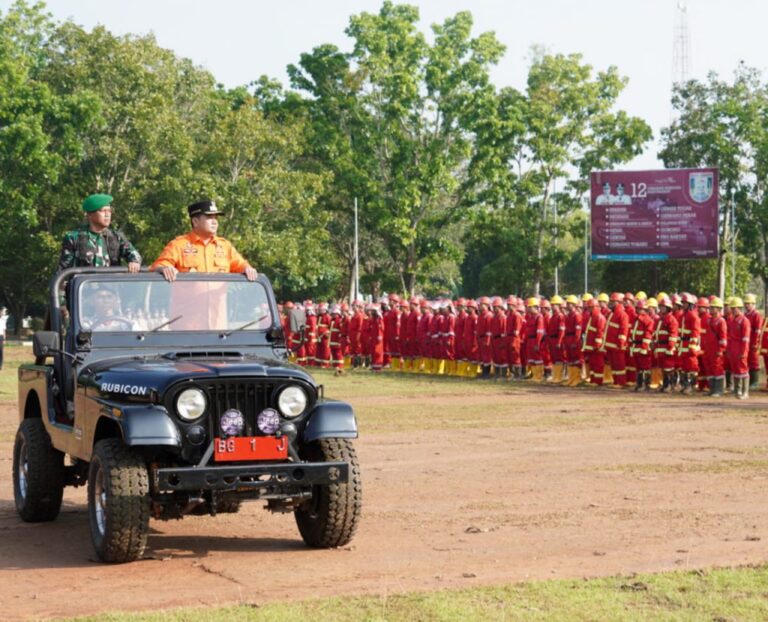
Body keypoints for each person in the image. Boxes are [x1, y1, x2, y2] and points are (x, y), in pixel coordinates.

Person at [151, 200, 258, 281]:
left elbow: (241, 265)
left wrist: (247, 269)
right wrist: (165, 269)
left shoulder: (225, 246)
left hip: (217, 310)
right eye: (209, 217)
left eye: (216, 218)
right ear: (195, 221)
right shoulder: (179, 245)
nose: (214, 222)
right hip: (187, 309)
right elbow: (159, 265)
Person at [59, 194, 142, 272]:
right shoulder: (74, 238)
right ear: (90, 214)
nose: (107, 214)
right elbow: (64, 270)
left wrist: (134, 262)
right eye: (103, 211)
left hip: (110, 285)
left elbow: (134, 254)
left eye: (109, 211)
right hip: (85, 285)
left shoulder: (117, 237)